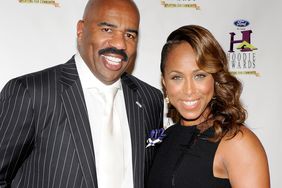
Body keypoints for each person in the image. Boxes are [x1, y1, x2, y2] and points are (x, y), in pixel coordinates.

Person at [0, 0, 163, 187]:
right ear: (81, 30)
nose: (120, 44)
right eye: (107, 30)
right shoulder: (31, 93)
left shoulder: (150, 99)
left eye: (129, 35)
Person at [147, 25, 270, 188]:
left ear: (215, 78)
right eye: (177, 77)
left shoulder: (237, 142)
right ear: (164, 83)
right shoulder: (164, 137)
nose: (189, 90)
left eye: (199, 76)